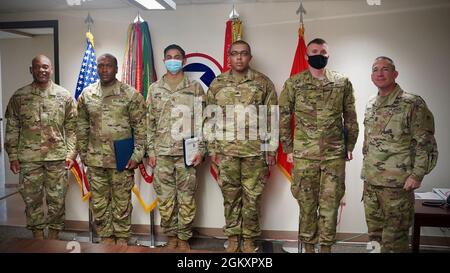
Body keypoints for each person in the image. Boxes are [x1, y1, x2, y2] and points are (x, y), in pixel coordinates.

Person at [279, 38, 359, 253]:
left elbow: (350, 116)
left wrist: (350, 144)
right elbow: (284, 116)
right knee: (306, 205)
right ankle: (308, 247)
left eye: (323, 52)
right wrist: (288, 149)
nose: (319, 55)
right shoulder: (294, 83)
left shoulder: (342, 82)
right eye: (314, 51)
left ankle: (325, 248)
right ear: (306, 56)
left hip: (333, 155)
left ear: (328, 55)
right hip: (304, 154)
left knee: (330, 205)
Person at [205, 40, 278, 253]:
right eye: (235, 54)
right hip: (226, 152)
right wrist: (212, 149)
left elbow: (272, 119)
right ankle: (233, 237)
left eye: (244, 54)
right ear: (229, 57)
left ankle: (249, 239)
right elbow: (209, 118)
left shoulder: (263, 83)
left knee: (253, 197)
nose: (239, 58)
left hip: (255, 152)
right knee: (230, 196)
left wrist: (271, 149)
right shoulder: (217, 84)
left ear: (250, 57)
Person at [361, 56, 438, 253]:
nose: (379, 73)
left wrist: (417, 174)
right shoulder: (371, 104)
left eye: (385, 69)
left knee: (395, 239)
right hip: (371, 184)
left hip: (397, 186)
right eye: (375, 69)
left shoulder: (412, 103)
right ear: (371, 75)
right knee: (374, 237)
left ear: (395, 74)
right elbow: (368, 142)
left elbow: (425, 141)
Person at [5, 55, 77, 240]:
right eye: (37, 67)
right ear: (31, 70)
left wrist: (71, 153)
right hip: (29, 159)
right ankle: (37, 238)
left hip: (57, 159)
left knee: (57, 200)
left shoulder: (64, 95)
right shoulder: (19, 96)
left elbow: (72, 128)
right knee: (31, 200)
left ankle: (53, 238)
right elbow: (12, 128)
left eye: (45, 67)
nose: (42, 70)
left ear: (51, 69)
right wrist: (12, 155)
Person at [77, 53, 146, 245]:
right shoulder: (87, 94)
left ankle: (123, 240)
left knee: (122, 202)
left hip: (122, 160)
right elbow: (81, 126)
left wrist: (138, 154)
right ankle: (106, 239)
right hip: (96, 160)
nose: (104, 69)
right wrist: (84, 152)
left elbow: (141, 126)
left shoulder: (130, 94)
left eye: (108, 66)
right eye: (100, 66)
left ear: (116, 69)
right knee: (99, 203)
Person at [146, 44, 206, 251]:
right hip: (162, 154)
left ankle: (184, 238)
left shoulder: (195, 87)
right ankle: (171, 236)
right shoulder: (154, 89)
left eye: (177, 57)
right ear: (164, 61)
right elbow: (149, 122)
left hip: (187, 154)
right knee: (165, 199)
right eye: (169, 57)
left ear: (184, 60)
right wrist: (151, 151)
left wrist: (201, 149)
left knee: (187, 198)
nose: (173, 60)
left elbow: (202, 120)